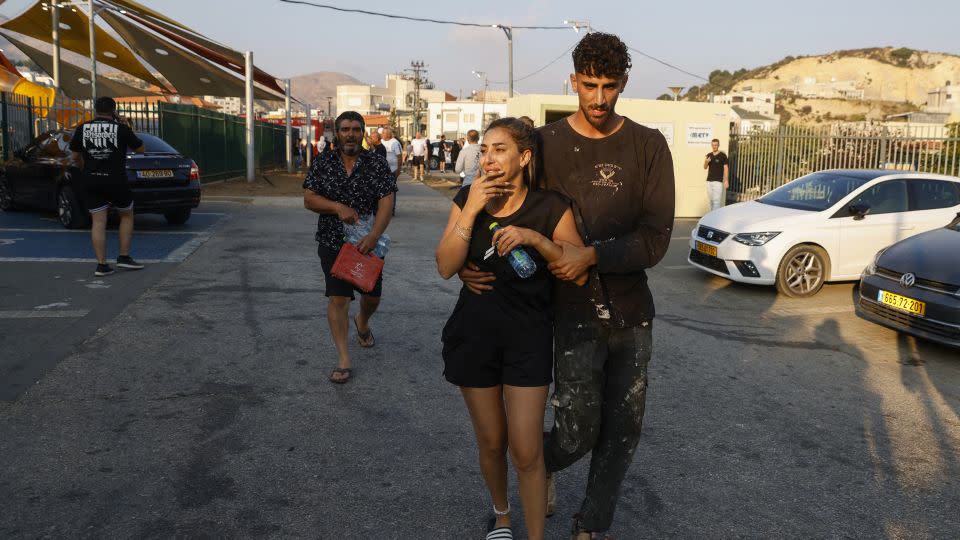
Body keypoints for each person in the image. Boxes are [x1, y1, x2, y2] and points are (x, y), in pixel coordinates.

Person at [460, 32, 675, 539]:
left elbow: (656, 238)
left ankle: (591, 525)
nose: (599, 98)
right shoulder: (546, 145)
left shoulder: (649, 145)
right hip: (568, 312)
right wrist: (474, 260)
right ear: (573, 80)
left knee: (622, 431)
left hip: (631, 312)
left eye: (610, 86)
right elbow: (497, 197)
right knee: (577, 430)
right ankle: (543, 463)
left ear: (624, 83)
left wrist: (592, 254)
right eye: (589, 85)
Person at [436, 118, 586, 540]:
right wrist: (470, 210)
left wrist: (534, 239)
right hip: (474, 336)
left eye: (499, 149)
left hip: (528, 339)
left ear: (523, 157)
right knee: (491, 442)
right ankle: (502, 517)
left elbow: (574, 268)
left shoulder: (550, 207)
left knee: (527, 451)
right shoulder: (469, 198)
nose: (488, 158)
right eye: (484, 149)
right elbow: (446, 265)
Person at [303, 111, 397, 384]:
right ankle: (344, 358)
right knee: (338, 298)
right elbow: (309, 199)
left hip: (368, 243)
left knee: (372, 297)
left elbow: (386, 202)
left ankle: (363, 322)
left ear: (363, 132)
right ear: (337, 132)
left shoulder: (376, 163)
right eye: (345, 129)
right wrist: (336, 206)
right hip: (332, 241)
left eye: (356, 129)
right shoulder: (323, 162)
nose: (350, 134)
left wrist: (375, 236)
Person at [69, 96, 146, 277]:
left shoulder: (83, 128)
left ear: (96, 110)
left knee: (98, 221)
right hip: (116, 180)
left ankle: (102, 265)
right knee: (126, 215)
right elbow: (140, 149)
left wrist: (84, 168)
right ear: (114, 110)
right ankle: (124, 257)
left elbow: (74, 156)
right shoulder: (121, 128)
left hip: (91, 179)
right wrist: (127, 126)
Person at [703, 138, 729, 211]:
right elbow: (705, 167)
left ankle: (715, 218)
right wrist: (706, 161)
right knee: (711, 201)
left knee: (716, 201)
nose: (714, 146)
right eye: (713, 145)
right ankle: (711, 217)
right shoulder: (709, 155)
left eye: (716, 145)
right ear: (711, 145)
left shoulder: (723, 156)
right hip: (709, 181)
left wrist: (726, 180)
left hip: (718, 182)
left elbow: (726, 168)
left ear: (718, 145)